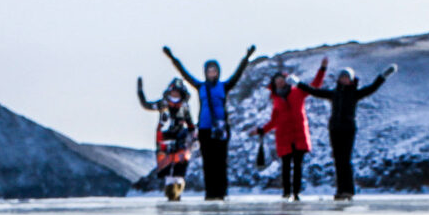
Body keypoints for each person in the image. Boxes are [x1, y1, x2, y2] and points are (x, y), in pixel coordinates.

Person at [163, 44, 256, 201]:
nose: (212, 73)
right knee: (208, 163)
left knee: (220, 162)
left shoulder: (224, 86)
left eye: (214, 70)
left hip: (220, 129)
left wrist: (247, 57)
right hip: (205, 129)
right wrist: (172, 57)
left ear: (218, 72)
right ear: (205, 73)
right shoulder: (200, 87)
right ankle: (210, 193)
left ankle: (221, 193)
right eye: (209, 71)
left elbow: (238, 74)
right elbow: (184, 74)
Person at [304, 62, 398, 199]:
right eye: (342, 77)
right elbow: (315, 92)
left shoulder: (355, 94)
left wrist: (383, 76)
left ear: (351, 79)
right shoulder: (334, 94)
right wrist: (298, 84)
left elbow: (372, 88)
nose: (344, 79)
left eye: (346, 77)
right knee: (337, 160)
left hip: (348, 129)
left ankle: (348, 190)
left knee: (345, 160)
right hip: (334, 129)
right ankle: (340, 190)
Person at [255, 59, 327, 200]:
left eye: (281, 79)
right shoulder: (276, 99)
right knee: (286, 166)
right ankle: (286, 192)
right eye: (277, 80)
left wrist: (322, 69)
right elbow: (274, 120)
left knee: (298, 165)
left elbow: (315, 86)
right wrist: (262, 130)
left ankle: (296, 193)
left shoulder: (298, 92)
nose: (279, 82)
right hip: (283, 136)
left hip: (299, 134)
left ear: (286, 80)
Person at [137, 76, 195, 200]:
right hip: (164, 139)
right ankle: (170, 192)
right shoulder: (162, 104)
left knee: (179, 167)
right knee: (167, 168)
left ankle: (178, 190)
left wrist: (193, 137)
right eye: (173, 91)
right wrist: (140, 92)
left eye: (177, 92)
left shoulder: (184, 108)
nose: (175, 94)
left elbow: (190, 124)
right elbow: (146, 105)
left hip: (180, 140)